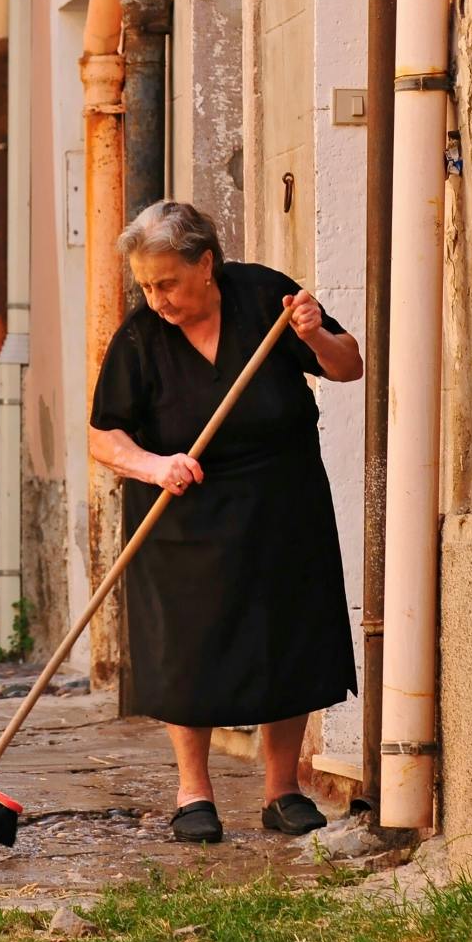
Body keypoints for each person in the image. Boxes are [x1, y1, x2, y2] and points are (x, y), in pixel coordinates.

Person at [88, 200, 361, 843]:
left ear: (205, 264)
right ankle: (194, 794)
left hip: (282, 501)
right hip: (185, 512)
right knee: (190, 646)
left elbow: (347, 364)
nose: (157, 299)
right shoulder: (140, 336)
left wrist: (314, 334)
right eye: (146, 286)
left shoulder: (266, 297)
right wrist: (156, 466)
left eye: (167, 283)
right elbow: (105, 437)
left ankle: (282, 791)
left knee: (286, 637)